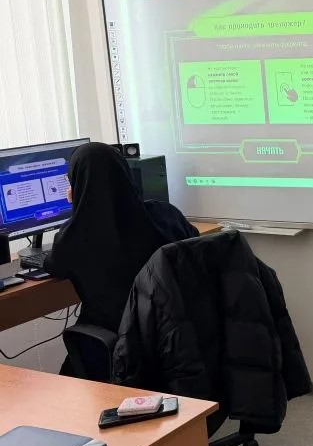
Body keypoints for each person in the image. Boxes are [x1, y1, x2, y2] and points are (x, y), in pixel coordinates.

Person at [45, 142, 198, 337]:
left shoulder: (73, 238)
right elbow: (195, 243)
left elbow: (53, 265)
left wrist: (79, 203)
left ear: (77, 185)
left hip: (124, 344)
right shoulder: (167, 214)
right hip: (182, 337)